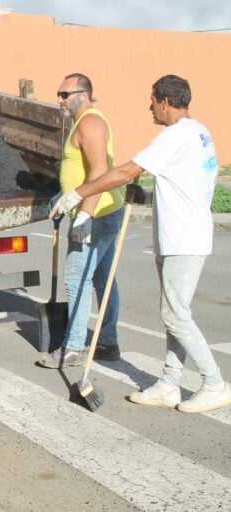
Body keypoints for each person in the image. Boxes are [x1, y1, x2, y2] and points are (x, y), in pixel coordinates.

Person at [51, 74, 231, 413]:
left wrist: (78, 193)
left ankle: (215, 382)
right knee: (174, 314)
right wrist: (145, 195)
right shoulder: (199, 131)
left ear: (165, 101)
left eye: (153, 101)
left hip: (183, 239)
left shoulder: (173, 136)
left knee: (176, 315)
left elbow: (124, 171)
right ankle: (168, 384)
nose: (150, 106)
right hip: (185, 235)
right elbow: (183, 181)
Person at [38, 73, 125, 369]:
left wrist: (84, 214)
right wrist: (65, 195)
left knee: (77, 278)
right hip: (102, 209)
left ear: (84, 94)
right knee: (101, 277)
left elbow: (99, 170)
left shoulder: (91, 123)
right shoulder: (82, 121)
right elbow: (82, 168)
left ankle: (73, 347)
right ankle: (108, 342)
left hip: (97, 214)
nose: (59, 99)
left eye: (65, 94)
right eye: (59, 93)